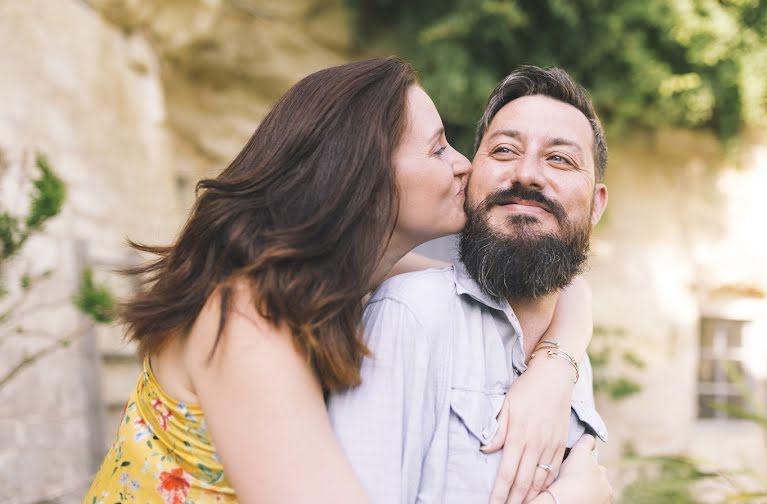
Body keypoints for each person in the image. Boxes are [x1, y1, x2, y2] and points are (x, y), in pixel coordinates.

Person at [83, 58, 612, 503]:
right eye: (437, 149)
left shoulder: (334, 274)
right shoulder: (246, 317)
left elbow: (560, 290)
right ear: (364, 177)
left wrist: (554, 367)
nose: (464, 166)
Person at [328, 65, 613, 504]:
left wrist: (559, 363)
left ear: (596, 206)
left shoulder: (574, 360)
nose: (527, 174)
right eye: (503, 150)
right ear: (471, 180)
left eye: (559, 158)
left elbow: (574, 290)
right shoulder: (412, 314)